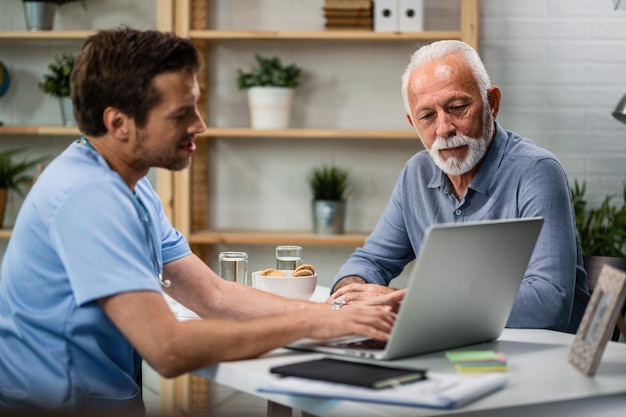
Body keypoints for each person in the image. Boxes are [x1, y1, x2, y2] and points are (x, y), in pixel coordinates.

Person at [0, 28, 404, 413]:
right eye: (181, 114)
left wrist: (334, 314)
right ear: (118, 123)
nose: (200, 124)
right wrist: (308, 323)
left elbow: (212, 295)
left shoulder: (130, 187)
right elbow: (167, 348)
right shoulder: (87, 198)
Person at [329, 40, 589, 334]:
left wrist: (410, 305)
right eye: (427, 116)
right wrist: (352, 294)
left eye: (457, 107)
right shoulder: (416, 173)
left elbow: (548, 302)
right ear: (413, 123)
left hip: (541, 357)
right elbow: (370, 261)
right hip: (454, 348)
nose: (443, 129)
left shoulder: (536, 171)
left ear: (492, 103)